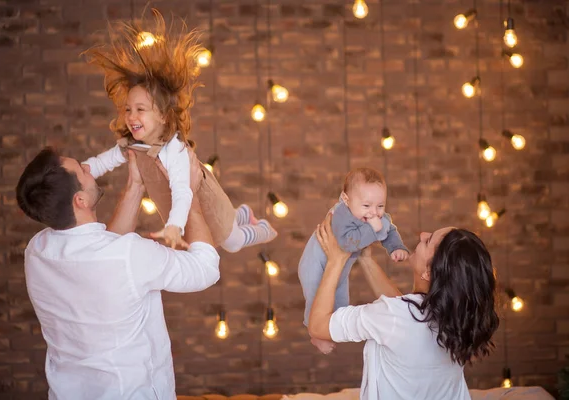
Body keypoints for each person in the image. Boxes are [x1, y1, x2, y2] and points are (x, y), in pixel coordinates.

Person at [15, 146, 219, 399]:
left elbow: (105, 251)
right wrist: (189, 193)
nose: (89, 168)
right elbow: (205, 268)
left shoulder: (37, 251)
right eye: (82, 169)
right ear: (81, 200)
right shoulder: (127, 255)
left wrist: (135, 185)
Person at [81, 8, 276, 252]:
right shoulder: (131, 145)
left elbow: (183, 191)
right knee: (217, 234)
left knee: (231, 242)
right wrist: (84, 169)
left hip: (204, 201)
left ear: (162, 115)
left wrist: (175, 225)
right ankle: (242, 213)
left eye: (141, 109)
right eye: (128, 109)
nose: (131, 117)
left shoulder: (174, 150)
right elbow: (103, 162)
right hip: (182, 208)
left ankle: (263, 229)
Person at [308, 213, 499, 400]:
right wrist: (365, 258)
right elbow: (405, 324)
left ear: (429, 272)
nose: (422, 234)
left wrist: (336, 260)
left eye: (428, 240)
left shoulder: (396, 317)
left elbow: (317, 326)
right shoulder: (456, 317)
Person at [298, 167, 409, 354]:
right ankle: (315, 334)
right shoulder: (341, 214)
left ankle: (329, 330)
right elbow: (348, 243)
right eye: (366, 206)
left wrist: (396, 247)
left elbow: (389, 230)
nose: (374, 212)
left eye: (380, 206)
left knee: (341, 304)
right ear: (346, 199)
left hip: (339, 269)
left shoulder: (374, 217)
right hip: (314, 264)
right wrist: (374, 229)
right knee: (316, 299)